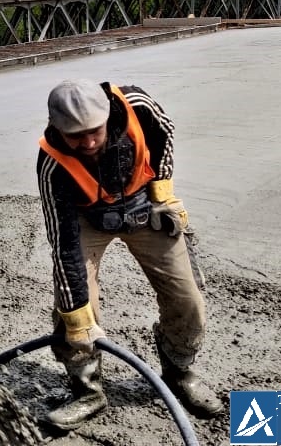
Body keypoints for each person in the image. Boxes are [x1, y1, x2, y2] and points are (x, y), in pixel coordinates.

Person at [36, 78, 224, 430]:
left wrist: (162, 193)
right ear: (58, 128)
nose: (89, 143)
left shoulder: (137, 106)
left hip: (143, 205)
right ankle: (87, 390)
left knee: (188, 298)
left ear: (107, 115)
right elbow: (63, 245)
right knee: (74, 311)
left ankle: (179, 369)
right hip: (86, 218)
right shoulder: (51, 163)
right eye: (76, 136)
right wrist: (77, 318)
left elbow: (164, 132)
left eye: (95, 131)